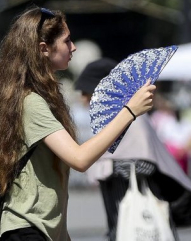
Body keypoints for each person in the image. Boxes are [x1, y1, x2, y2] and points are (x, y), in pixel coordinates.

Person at [0, 6, 156, 241]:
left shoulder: (40, 98)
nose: (74, 47)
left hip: (40, 230)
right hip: (24, 229)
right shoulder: (30, 102)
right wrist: (129, 111)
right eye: (67, 40)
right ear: (44, 49)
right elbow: (79, 159)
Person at [75, 57, 191, 241]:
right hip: (122, 218)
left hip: (141, 218)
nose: (83, 99)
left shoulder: (130, 116)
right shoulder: (115, 118)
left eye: (86, 92)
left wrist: (112, 166)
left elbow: (147, 164)